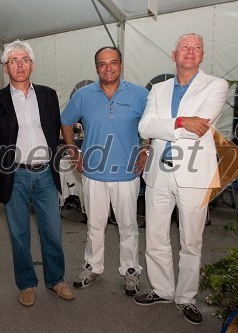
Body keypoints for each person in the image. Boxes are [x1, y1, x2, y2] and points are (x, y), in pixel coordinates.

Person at [135, 33, 228, 325]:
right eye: (185, 48)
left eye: (196, 48)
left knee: (191, 241)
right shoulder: (158, 89)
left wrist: (171, 126)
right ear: (173, 54)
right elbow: (144, 126)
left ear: (202, 55)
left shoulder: (216, 85)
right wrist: (179, 121)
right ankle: (162, 289)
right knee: (155, 237)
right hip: (158, 174)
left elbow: (199, 128)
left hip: (195, 175)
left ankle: (186, 297)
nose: (190, 52)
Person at [0, 40, 74, 307]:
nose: (20, 65)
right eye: (14, 61)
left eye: (24, 60)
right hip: (16, 175)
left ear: (32, 64)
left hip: (46, 173)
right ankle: (26, 283)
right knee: (19, 233)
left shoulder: (48, 95)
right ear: (6, 67)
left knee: (53, 230)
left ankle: (56, 280)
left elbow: (54, 131)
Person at [60, 46, 148, 296]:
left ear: (121, 64)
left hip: (127, 173)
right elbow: (66, 121)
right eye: (102, 64)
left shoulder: (140, 95)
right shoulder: (83, 95)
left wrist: (146, 148)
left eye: (113, 63)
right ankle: (93, 267)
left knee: (128, 226)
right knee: (94, 226)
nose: (108, 68)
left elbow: (151, 124)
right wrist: (72, 149)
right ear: (96, 67)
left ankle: (131, 271)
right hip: (93, 173)